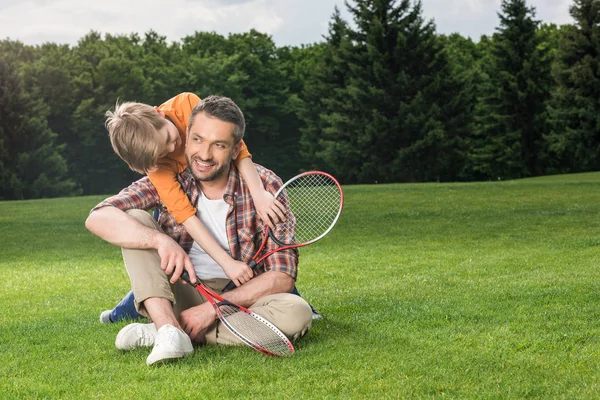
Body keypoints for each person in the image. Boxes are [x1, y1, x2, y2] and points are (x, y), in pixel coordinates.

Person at [86, 95, 313, 365]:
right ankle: (168, 326)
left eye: (217, 145)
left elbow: (282, 276)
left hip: (240, 296)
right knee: (133, 218)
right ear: (189, 133)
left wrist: (214, 308)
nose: (204, 155)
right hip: (185, 290)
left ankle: (169, 330)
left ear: (234, 147)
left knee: (296, 313)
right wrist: (160, 241)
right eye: (196, 141)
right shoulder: (165, 174)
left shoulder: (265, 185)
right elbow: (98, 217)